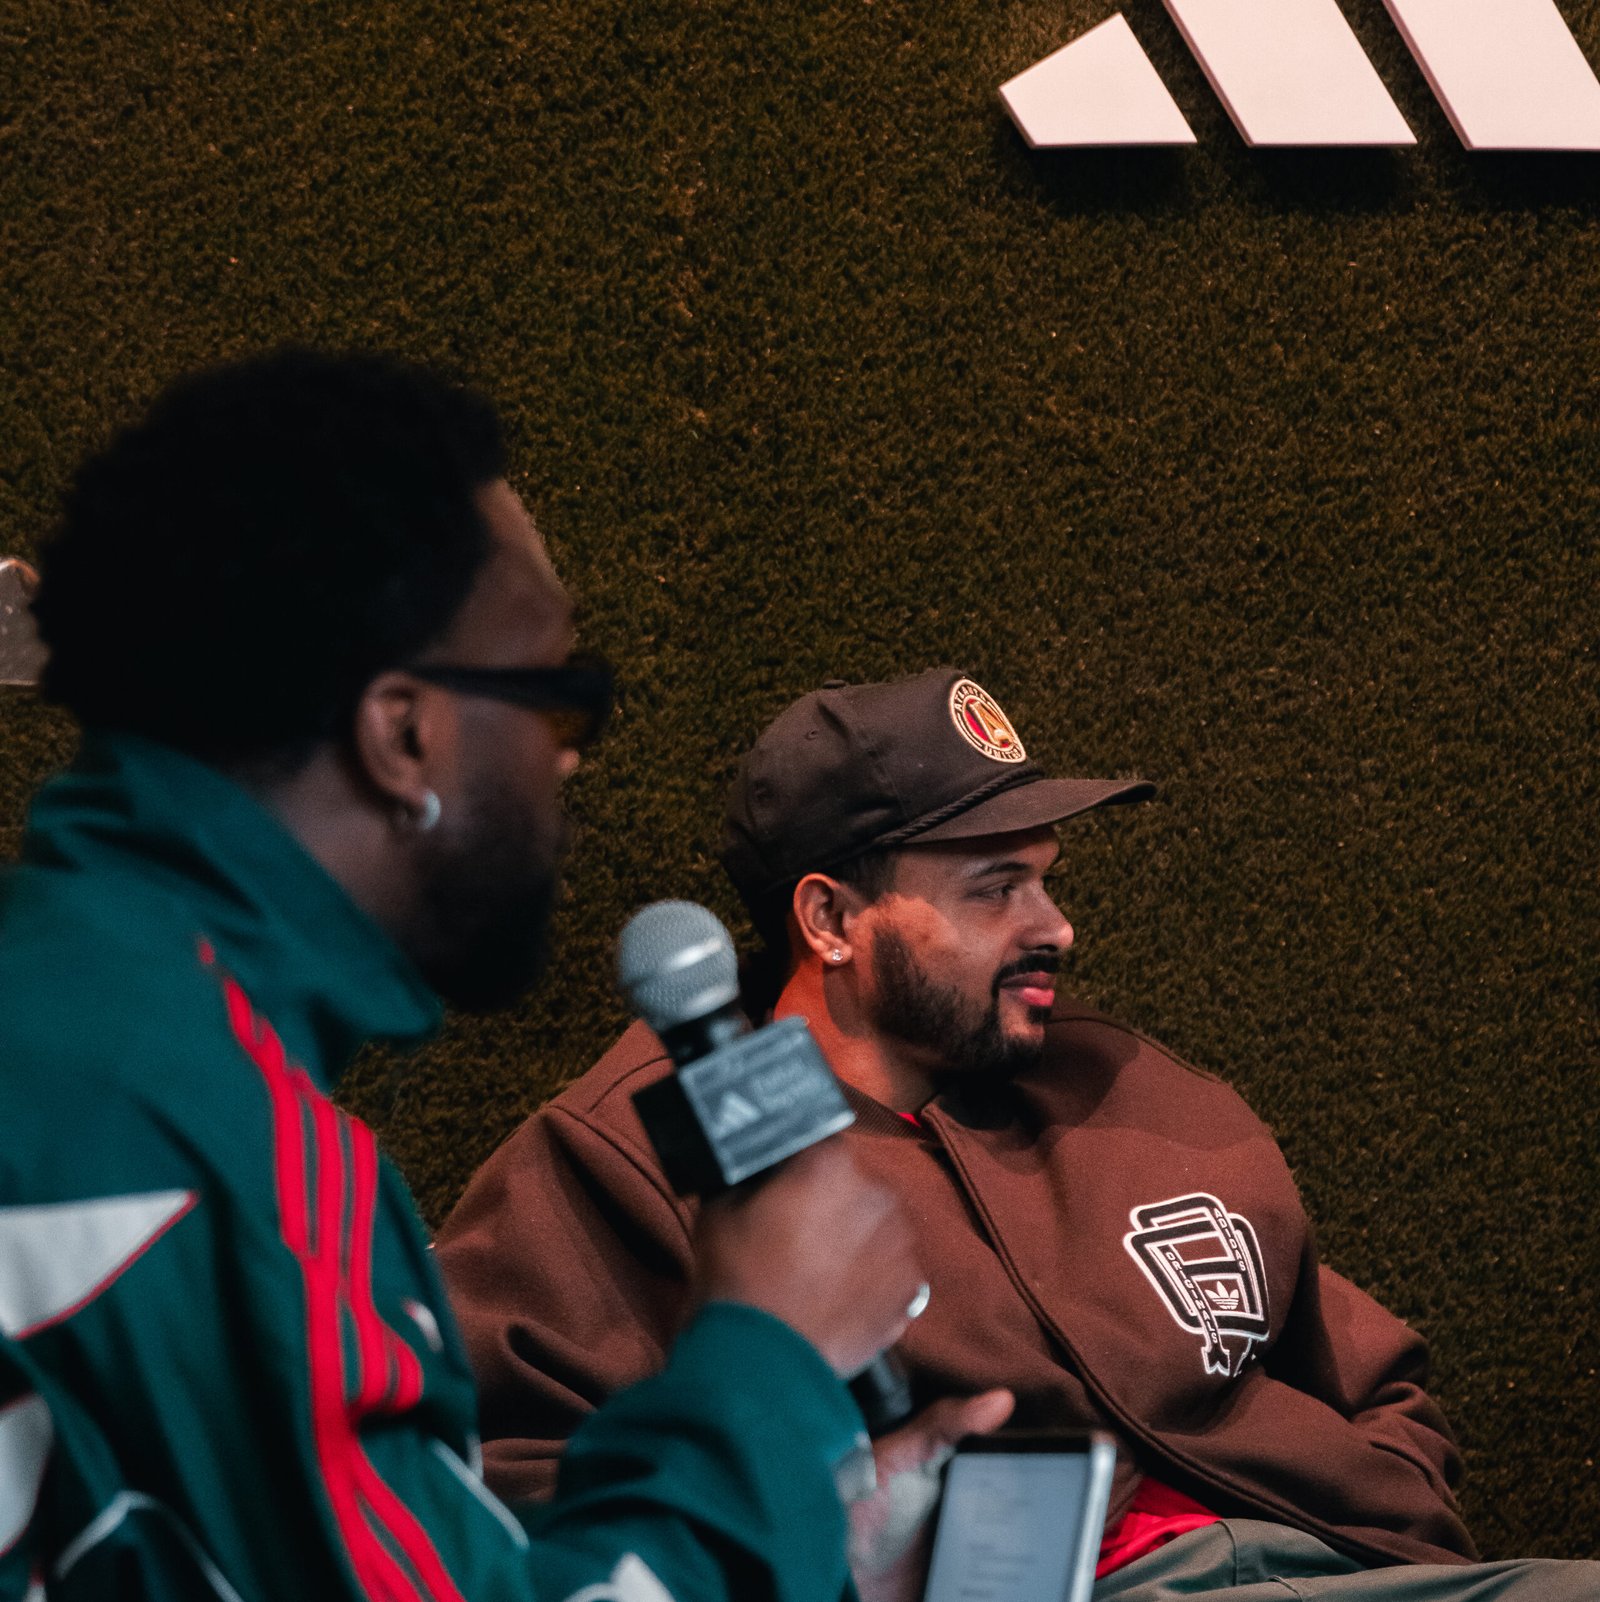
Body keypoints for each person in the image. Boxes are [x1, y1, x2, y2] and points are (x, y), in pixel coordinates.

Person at [0, 349, 977, 1602]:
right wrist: (770, 1362)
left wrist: (787, 1526)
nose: (566, 763)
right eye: (559, 697)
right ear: (403, 733)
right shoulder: (201, 1147)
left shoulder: (81, 1018)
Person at [436, 668, 1600, 1600]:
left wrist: (1381, 1498)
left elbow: (1371, 1375)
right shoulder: (627, 1155)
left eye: (1045, 881)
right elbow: (508, 1498)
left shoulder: (1124, 1079)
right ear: (830, 918)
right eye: (996, 888)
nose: (1056, 926)